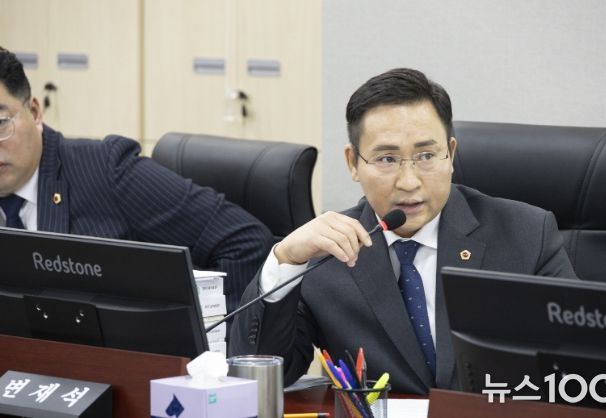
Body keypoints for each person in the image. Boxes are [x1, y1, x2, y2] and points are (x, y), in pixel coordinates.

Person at [229, 68, 577, 394]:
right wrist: (285, 261)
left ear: (450, 154)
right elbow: (258, 380)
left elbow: (579, 367)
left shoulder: (526, 235)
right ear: (353, 163)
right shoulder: (325, 255)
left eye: (426, 156)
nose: (409, 182)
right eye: (387, 159)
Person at [0, 46, 273, 313]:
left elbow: (245, 242)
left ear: (34, 112)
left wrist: (203, 333)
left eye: (1, 123)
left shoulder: (105, 170)